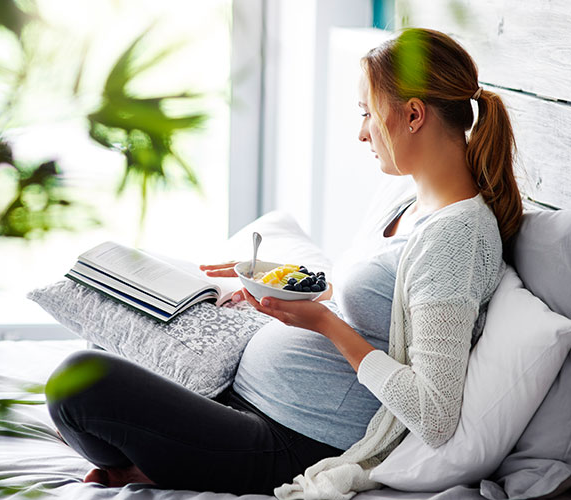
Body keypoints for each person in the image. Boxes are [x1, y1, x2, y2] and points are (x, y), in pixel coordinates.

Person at [45, 28, 522, 497]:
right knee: (106, 340)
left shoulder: (457, 238)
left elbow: (433, 415)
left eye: (367, 114)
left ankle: (150, 466)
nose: (361, 134)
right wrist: (278, 282)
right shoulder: (410, 199)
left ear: (414, 114)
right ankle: (154, 456)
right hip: (245, 395)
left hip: (291, 439)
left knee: (78, 382)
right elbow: (381, 300)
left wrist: (326, 326)